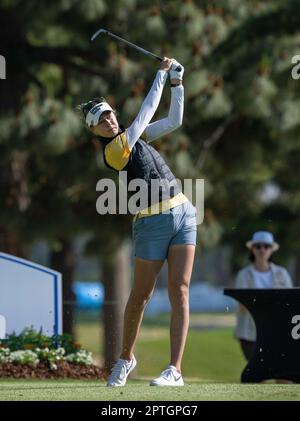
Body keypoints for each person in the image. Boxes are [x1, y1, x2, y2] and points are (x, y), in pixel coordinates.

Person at [78, 57, 197, 387]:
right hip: (151, 223)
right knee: (140, 296)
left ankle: (174, 369)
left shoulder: (136, 137)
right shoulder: (114, 151)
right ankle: (125, 358)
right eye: (100, 121)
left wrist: (177, 84)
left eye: (109, 114)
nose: (108, 122)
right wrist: (159, 75)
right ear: (93, 130)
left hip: (184, 213)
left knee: (181, 291)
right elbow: (145, 113)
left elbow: (173, 120)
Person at [234, 231, 293, 362]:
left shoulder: (282, 274)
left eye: (266, 246)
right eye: (258, 246)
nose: (262, 250)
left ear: (271, 250)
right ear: (252, 249)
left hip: (278, 332)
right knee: (258, 378)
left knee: (284, 376)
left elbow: (290, 303)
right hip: (250, 334)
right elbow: (242, 308)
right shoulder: (243, 275)